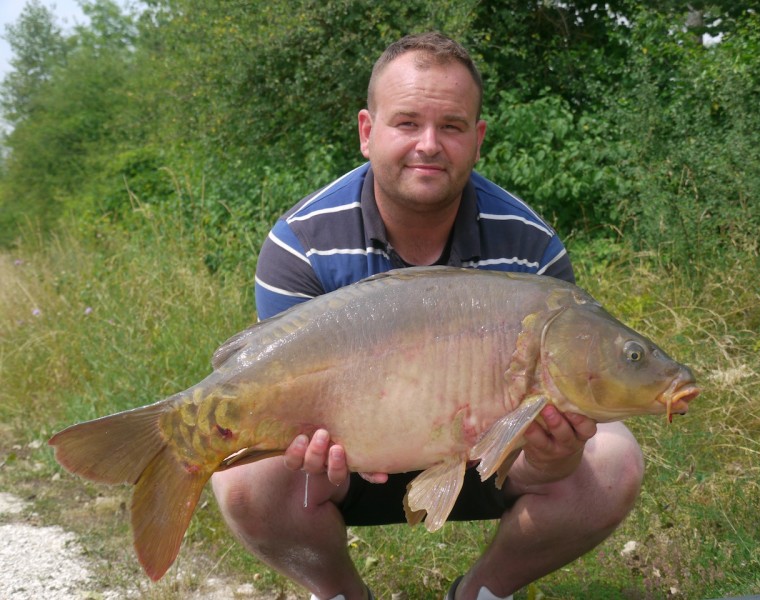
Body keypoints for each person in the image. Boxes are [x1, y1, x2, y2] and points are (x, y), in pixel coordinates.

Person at [211, 32, 644, 600]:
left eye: (453, 126)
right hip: (343, 462)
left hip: (489, 456)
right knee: (241, 476)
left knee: (613, 457)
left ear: (478, 139)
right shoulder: (301, 244)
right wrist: (312, 455)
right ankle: (340, 592)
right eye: (407, 123)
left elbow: (543, 445)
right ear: (368, 132)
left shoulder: (531, 247)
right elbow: (279, 394)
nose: (429, 145)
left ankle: (483, 593)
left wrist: (553, 457)